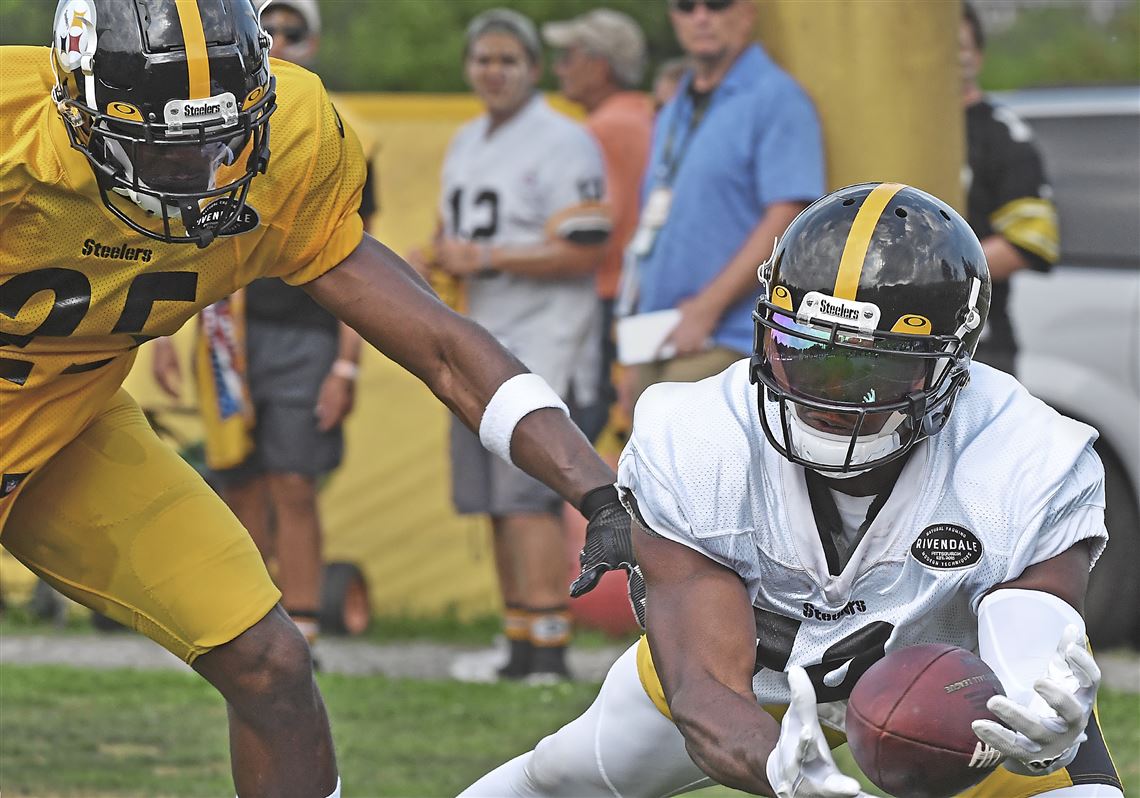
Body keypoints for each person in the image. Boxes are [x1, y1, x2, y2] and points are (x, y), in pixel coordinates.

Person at [0, 1, 633, 795]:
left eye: (221, 141)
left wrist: (597, 491)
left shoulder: (292, 145)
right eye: (162, 152)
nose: (200, 179)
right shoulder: (11, 131)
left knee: (270, 662)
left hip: (66, 426)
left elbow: (440, 344)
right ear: (76, 109)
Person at [461, 183, 1123, 798]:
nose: (825, 395)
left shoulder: (1027, 455)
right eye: (802, 351)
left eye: (868, 368)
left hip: (956, 688)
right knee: (559, 776)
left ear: (954, 363)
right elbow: (705, 690)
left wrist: (1041, 720)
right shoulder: (700, 439)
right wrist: (782, 770)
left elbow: (1030, 626)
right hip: (760, 675)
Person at [151, 0, 377, 650]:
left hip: (304, 332)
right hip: (228, 335)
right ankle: (252, 630)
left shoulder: (334, 129)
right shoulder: (211, 124)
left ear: (313, 42)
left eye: (292, 31)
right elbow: (187, 243)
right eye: (266, 28)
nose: (278, 40)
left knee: (294, 481)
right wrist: (171, 332)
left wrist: (347, 362)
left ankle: (303, 625)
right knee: (238, 481)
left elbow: (365, 260)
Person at [417, 9, 611, 682]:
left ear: (532, 68)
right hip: (480, 338)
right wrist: (437, 257)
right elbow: (457, 235)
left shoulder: (564, 140)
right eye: (483, 60)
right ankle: (518, 638)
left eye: (508, 60)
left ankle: (549, 647)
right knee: (492, 500)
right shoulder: (467, 139)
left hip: (546, 339)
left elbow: (585, 245)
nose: (493, 72)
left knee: (527, 496)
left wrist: (487, 256)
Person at [618, 0, 824, 404]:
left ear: (747, 12)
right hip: (660, 336)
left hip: (725, 338)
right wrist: (635, 347)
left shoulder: (777, 97)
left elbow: (788, 217)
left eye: (716, 4)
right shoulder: (677, 101)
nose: (701, 16)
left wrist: (706, 310)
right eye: (685, 6)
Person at [543, 8, 654, 444]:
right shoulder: (647, 116)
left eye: (569, 56)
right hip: (640, 300)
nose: (559, 67)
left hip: (605, 298)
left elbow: (592, 225)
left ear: (601, 65)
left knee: (575, 440)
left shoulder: (600, 129)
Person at [960, 2, 1060, 377]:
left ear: (978, 57)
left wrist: (934, 273)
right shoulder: (886, 129)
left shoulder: (1000, 135)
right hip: (896, 344)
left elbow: (1031, 241)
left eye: (960, 45)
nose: (949, 56)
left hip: (978, 347)